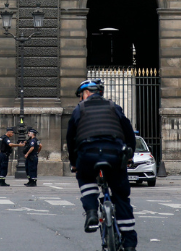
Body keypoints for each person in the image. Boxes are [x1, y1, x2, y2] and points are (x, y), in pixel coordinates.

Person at [67, 79, 138, 250]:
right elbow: (128, 132)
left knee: (84, 177)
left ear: (86, 93)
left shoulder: (79, 109)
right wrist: (129, 155)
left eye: (80, 95)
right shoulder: (114, 107)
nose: (79, 99)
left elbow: (71, 137)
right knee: (121, 197)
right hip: (114, 153)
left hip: (88, 153)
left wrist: (74, 162)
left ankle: (91, 211)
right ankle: (129, 244)